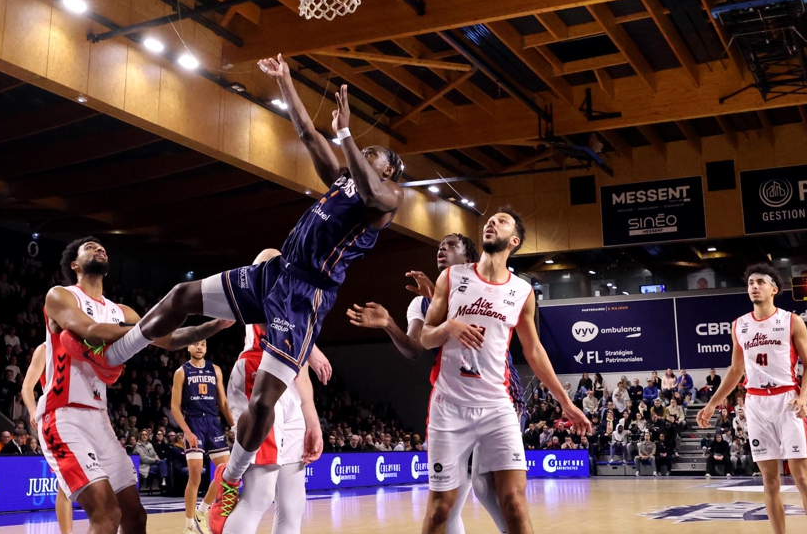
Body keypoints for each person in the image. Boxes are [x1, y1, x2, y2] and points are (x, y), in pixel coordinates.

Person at [78, 60, 404, 534]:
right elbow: (308, 134)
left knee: (265, 400)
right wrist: (285, 81)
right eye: (365, 151)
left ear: (389, 169)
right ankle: (118, 353)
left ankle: (230, 478)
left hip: (305, 295)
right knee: (182, 294)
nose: (367, 154)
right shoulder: (342, 180)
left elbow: (371, 190)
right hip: (274, 274)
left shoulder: (389, 198)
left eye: (376, 154)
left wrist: (348, 134)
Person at [419, 207, 591, 534]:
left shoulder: (522, 291)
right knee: (440, 509)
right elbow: (426, 337)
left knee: (513, 501)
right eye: (489, 220)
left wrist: (566, 403)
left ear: (514, 241)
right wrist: (449, 327)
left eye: (501, 222)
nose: (491, 223)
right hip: (449, 407)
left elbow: (534, 351)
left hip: (497, 408)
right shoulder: (452, 277)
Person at [37, 238, 225, 534]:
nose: (99, 249)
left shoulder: (120, 311)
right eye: (90, 247)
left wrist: (213, 326)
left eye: (102, 247)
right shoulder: (61, 295)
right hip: (62, 416)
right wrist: (143, 331)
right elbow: (91, 330)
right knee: (106, 513)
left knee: (135, 516)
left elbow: (169, 339)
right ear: (75, 264)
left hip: (99, 418)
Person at [346, 230, 515, 534]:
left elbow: (471, 319)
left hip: (498, 394)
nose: (442, 249)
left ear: (468, 257)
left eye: (450, 245)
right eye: (439, 245)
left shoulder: (486, 285)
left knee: (484, 486)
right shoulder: (421, 303)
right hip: (455, 402)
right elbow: (414, 348)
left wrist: (436, 296)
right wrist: (388, 324)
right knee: (446, 507)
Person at [697, 263, 807, 534]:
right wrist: (712, 404)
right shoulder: (739, 325)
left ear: (773, 289)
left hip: (787, 400)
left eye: (760, 282)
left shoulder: (791, 320)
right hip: (755, 403)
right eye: (750, 283)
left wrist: (803, 398)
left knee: (802, 478)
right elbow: (735, 370)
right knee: (769, 481)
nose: (754, 287)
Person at [218, 251, 324, 534]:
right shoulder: (273, 257)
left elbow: (300, 370)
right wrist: (311, 346)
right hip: (258, 371)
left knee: (293, 502)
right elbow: (260, 294)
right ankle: (227, 484)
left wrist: (312, 420)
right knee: (259, 495)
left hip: (289, 384)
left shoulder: (306, 294)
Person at [171, 339, 234, 534]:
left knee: (226, 473)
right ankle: (189, 525)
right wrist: (187, 431)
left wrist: (234, 425)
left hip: (213, 423)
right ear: (188, 347)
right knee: (195, 475)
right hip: (194, 423)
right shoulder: (181, 372)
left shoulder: (215, 370)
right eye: (195, 344)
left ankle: (202, 510)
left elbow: (223, 403)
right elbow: (174, 407)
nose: (199, 347)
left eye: (203, 344)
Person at [21, 342, 74, 534]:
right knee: (65, 485)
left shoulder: (84, 343)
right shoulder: (45, 349)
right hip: (58, 419)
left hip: (84, 419)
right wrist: (32, 409)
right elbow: (27, 386)